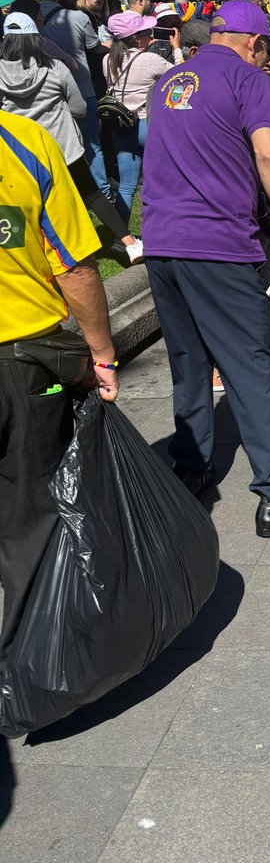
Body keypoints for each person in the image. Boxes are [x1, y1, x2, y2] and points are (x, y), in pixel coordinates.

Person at [141, 0, 270, 537]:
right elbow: (269, 157)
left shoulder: (169, 80)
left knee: (188, 362)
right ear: (254, 43)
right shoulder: (247, 79)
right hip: (219, 244)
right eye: (269, 54)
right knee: (252, 366)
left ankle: (190, 467)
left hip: (162, 243)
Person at [0, 109, 118, 675]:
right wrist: (102, 354)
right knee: (30, 516)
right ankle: (35, 668)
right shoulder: (23, 141)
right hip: (20, 363)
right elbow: (74, 267)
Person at [0, 12, 143, 263]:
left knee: (32, 205)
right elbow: (80, 108)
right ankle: (129, 243)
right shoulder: (55, 68)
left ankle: (39, 257)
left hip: (21, 154)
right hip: (63, 146)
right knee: (91, 194)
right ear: (36, 39)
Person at [40, 0, 110, 195]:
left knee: (56, 148)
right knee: (91, 145)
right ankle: (102, 193)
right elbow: (95, 46)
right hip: (82, 90)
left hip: (47, 95)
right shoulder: (79, 17)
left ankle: (64, 193)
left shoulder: (34, 16)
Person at [103, 9, 174, 221]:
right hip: (146, 124)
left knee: (126, 185)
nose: (150, 36)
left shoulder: (107, 60)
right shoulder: (151, 60)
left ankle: (121, 237)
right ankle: (160, 229)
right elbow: (183, 74)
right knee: (160, 183)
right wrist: (177, 50)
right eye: (146, 33)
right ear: (136, 38)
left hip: (121, 126)